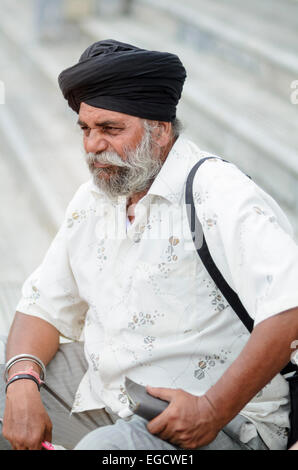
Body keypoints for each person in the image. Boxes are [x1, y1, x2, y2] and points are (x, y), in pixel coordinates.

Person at [1, 39, 298, 451]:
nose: (91, 145)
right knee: (10, 392)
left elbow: (291, 304)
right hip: (116, 394)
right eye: (86, 129)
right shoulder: (95, 199)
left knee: (108, 450)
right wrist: (20, 385)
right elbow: (40, 306)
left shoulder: (218, 192)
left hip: (221, 422)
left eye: (110, 129)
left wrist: (211, 409)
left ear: (160, 130)